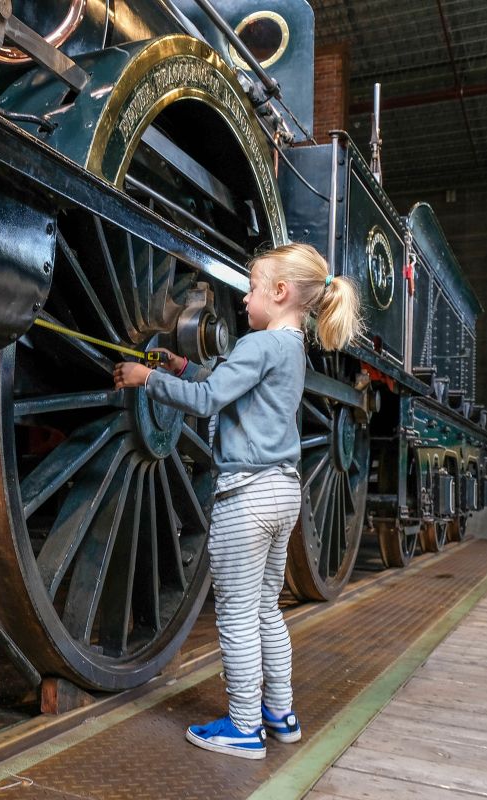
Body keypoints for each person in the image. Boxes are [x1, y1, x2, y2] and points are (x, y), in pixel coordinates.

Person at [114, 243, 362, 760]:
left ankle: (245, 726)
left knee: (235, 615)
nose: (245, 298)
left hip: (245, 496)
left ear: (279, 292)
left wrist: (148, 379)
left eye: (251, 287)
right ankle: (280, 714)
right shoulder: (291, 348)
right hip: (282, 493)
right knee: (266, 610)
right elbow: (227, 387)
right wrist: (182, 366)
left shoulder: (256, 343)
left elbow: (209, 401)